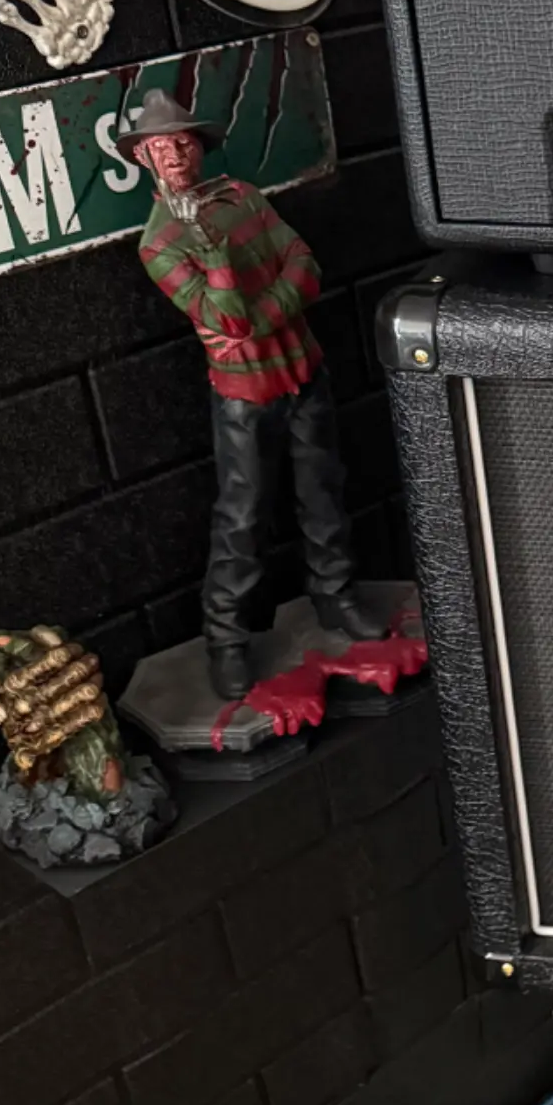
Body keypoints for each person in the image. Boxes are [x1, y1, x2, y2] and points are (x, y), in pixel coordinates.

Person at [123, 89, 362, 703]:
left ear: (198, 147)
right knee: (243, 518)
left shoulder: (242, 197)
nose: (175, 154)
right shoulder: (159, 242)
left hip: (303, 368)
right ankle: (226, 640)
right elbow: (226, 321)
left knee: (323, 491)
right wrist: (217, 259)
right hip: (243, 395)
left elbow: (304, 263)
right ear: (143, 156)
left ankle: (335, 595)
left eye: (183, 142)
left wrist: (265, 315)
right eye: (161, 146)